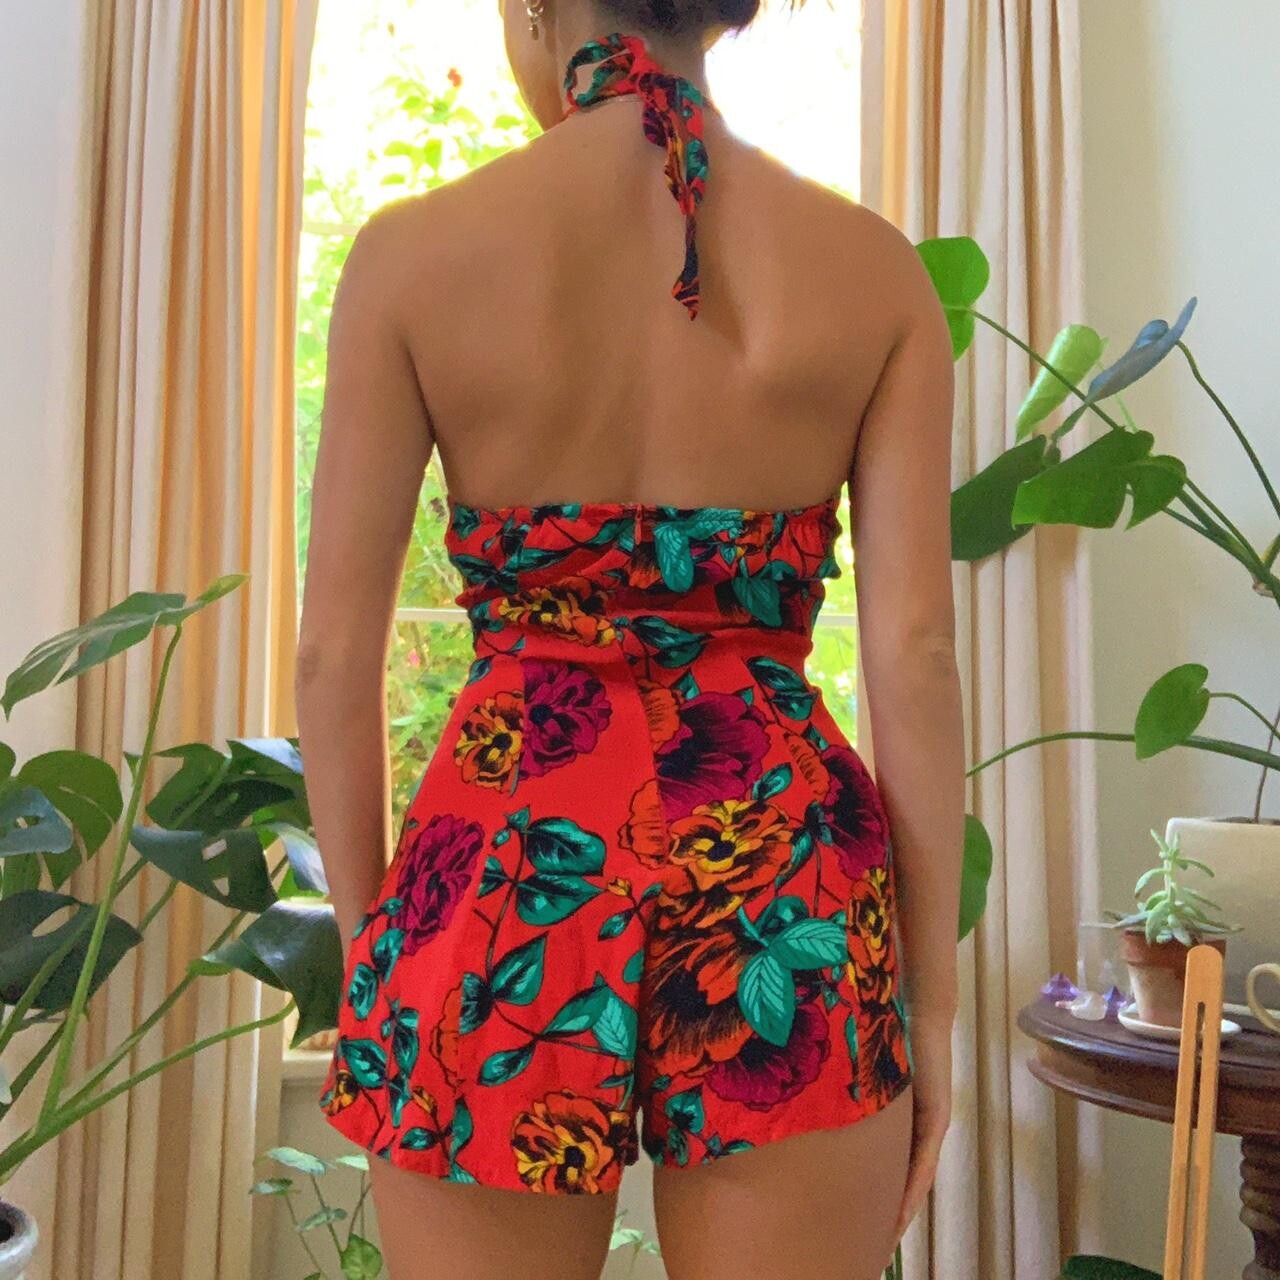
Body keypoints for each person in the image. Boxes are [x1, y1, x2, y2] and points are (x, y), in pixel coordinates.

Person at [295, 2, 964, 1277]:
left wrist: (383, 947)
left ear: (534, 9)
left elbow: (332, 654)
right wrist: (928, 1007)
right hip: (780, 864)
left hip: (507, 854)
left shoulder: (411, 257)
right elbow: (915, 651)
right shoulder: (874, 271)